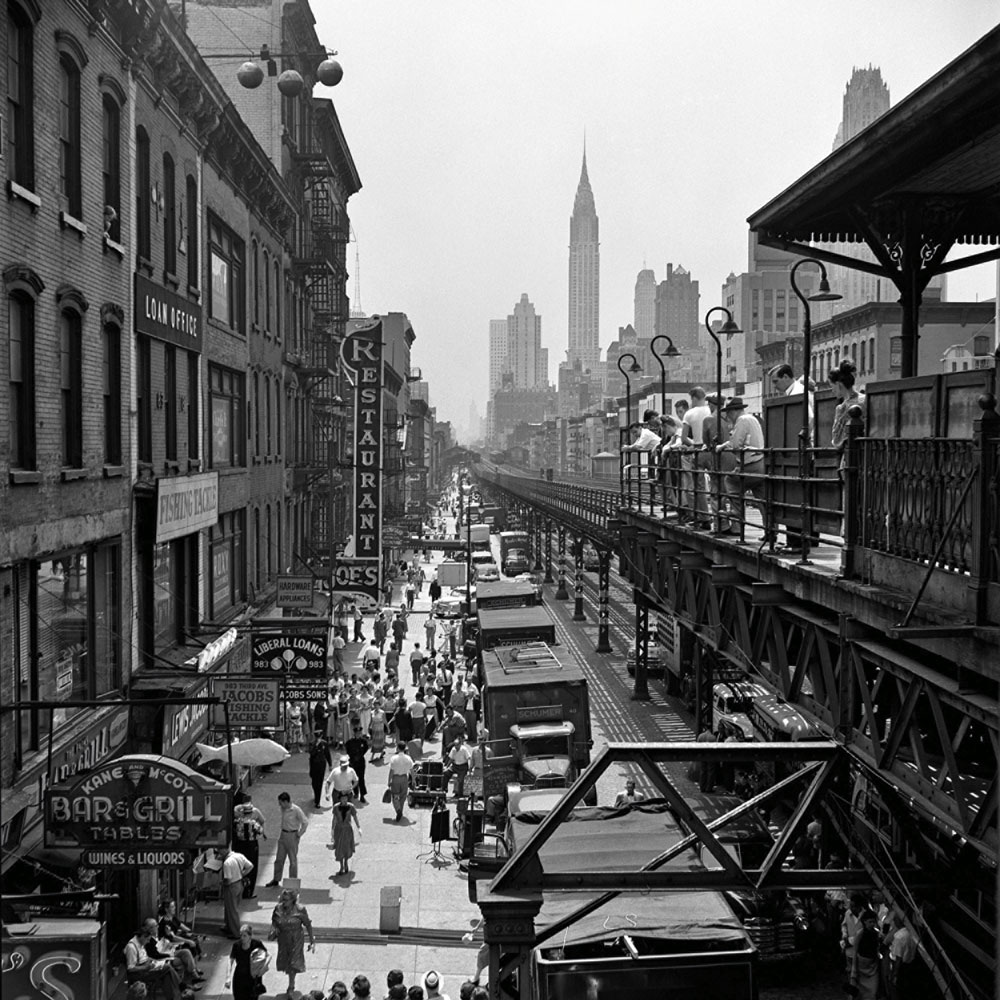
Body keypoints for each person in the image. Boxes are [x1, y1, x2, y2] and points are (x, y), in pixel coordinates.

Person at [270, 888, 315, 999]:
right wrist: (273, 931)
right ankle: (291, 984)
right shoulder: (278, 909)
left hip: (296, 939)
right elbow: (274, 922)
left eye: (286, 900)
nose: (283, 902)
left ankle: (291, 986)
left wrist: (312, 940)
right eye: (282, 899)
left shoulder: (300, 910)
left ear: (292, 900)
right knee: (285, 961)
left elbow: (308, 925)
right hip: (283, 939)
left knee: (293, 963)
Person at [142, 917, 202, 990]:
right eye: (156, 926)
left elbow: (168, 937)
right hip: (163, 958)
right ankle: (189, 983)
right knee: (183, 961)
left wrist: (168, 935)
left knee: (186, 952)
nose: (158, 927)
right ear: (150, 929)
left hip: (168, 951)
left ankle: (193, 973)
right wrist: (168, 955)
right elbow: (155, 955)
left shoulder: (158, 934)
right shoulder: (149, 940)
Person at [124, 926, 183, 999]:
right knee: (167, 967)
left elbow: (144, 957)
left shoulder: (141, 942)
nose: (148, 942)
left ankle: (172, 997)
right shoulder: (131, 947)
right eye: (148, 939)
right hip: (139, 973)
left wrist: (154, 961)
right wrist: (146, 967)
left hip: (147, 965)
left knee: (167, 975)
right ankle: (181, 986)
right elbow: (130, 969)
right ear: (142, 937)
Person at [681, 387, 712, 525]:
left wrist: (694, 444)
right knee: (717, 484)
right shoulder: (711, 410)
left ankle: (704, 518)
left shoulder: (689, 414)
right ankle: (721, 521)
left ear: (693, 398)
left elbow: (683, 438)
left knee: (698, 487)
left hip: (698, 450)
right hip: (712, 449)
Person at [265, 792, 309, 887]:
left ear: (286, 802)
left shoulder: (296, 810)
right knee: (279, 859)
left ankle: (292, 881)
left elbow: (305, 822)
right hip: (283, 835)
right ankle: (276, 879)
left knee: (292, 860)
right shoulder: (283, 809)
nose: (279, 805)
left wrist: (299, 834)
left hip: (292, 835)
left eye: (281, 802)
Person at [231, 799, 266, 898]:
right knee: (251, 868)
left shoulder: (237, 822)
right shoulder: (253, 823)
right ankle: (248, 892)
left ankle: (239, 891)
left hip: (240, 846)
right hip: (251, 845)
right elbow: (261, 831)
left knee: (240, 867)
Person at [225, 923, 267, 1000]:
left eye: (244, 936)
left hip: (253, 978)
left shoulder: (257, 944)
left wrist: (264, 967)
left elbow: (268, 955)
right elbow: (230, 960)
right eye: (241, 935)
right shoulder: (236, 945)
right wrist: (228, 977)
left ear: (250, 936)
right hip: (240, 978)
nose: (242, 938)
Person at [218, 847, 253, 939]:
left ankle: (236, 933)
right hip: (240, 884)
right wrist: (242, 874)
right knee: (231, 908)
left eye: (219, 850)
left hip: (231, 887)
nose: (219, 852)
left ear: (224, 850)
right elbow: (250, 866)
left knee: (232, 910)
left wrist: (222, 883)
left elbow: (228, 880)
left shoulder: (227, 863)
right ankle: (228, 926)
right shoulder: (239, 856)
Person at [849, 909, 882, 1000]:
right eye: (870, 922)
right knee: (860, 993)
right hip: (860, 967)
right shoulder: (860, 934)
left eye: (873, 922)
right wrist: (854, 970)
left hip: (873, 967)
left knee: (872, 993)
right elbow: (855, 951)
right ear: (864, 922)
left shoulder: (876, 933)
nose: (872, 924)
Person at [330, 796, 361, 876]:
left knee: (347, 847)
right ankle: (341, 866)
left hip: (347, 829)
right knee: (339, 848)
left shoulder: (351, 807)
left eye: (345, 798)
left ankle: (346, 862)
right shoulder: (336, 807)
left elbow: (355, 817)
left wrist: (359, 827)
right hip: (339, 829)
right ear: (340, 799)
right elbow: (334, 819)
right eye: (342, 798)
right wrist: (332, 830)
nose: (344, 800)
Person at [388, 742, 415, 821]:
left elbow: (391, 772)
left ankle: (398, 810)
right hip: (404, 778)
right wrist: (413, 780)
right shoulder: (408, 758)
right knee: (403, 796)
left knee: (395, 796)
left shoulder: (393, 758)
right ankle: (401, 810)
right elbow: (412, 771)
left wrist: (389, 781)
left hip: (396, 779)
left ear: (398, 748)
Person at [344, 726, 370, 801]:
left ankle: (362, 795)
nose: (358, 734)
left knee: (361, 778)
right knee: (353, 778)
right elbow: (348, 750)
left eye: (360, 733)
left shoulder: (363, 741)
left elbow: (365, 749)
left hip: (361, 761)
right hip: (353, 762)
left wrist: (360, 755)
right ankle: (356, 792)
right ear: (354, 733)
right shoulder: (350, 742)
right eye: (357, 733)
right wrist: (352, 757)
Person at [309, 735, 333, 808]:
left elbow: (327, 754)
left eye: (319, 737)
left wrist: (330, 764)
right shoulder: (312, 743)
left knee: (319, 783)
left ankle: (317, 801)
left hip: (321, 765)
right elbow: (311, 753)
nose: (318, 738)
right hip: (313, 765)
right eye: (317, 737)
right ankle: (316, 795)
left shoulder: (324, 743)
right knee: (314, 783)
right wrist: (316, 746)